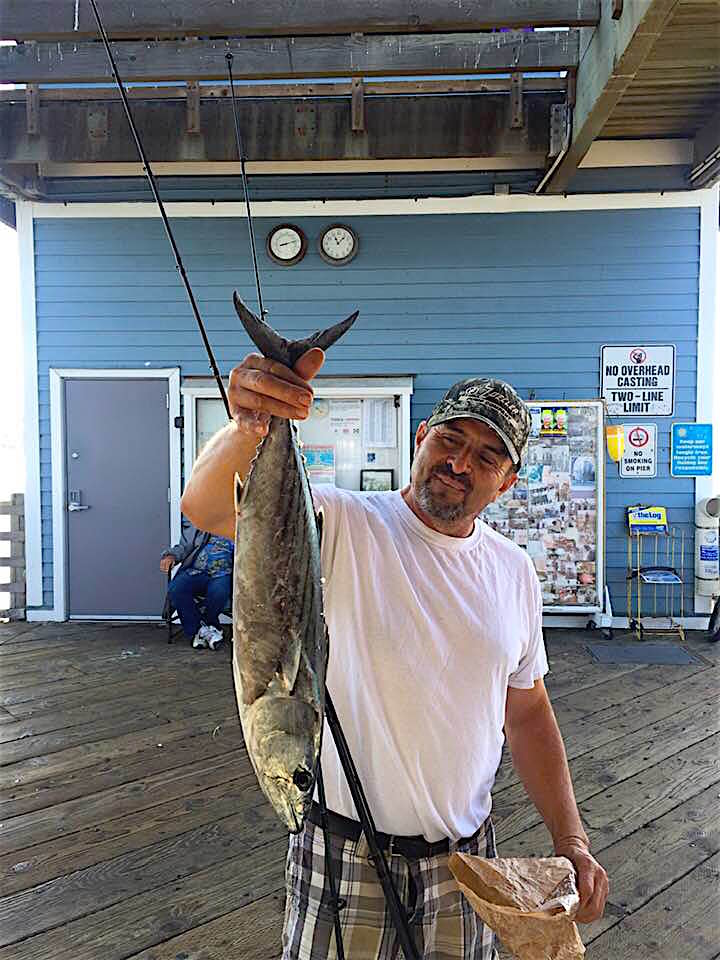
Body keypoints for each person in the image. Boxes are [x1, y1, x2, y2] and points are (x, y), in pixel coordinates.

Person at [181, 349, 609, 960]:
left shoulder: (514, 571)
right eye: (450, 439)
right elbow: (208, 507)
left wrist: (572, 837)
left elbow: (527, 709)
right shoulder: (344, 521)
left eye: (487, 456)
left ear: (508, 480)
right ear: (420, 437)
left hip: (466, 866)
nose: (460, 463)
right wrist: (251, 422)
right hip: (341, 852)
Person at [160, 520, 233, 650]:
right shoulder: (200, 522)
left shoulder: (239, 526)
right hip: (197, 571)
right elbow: (184, 546)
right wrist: (171, 555)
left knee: (219, 590)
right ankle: (204, 630)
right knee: (177, 588)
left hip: (222, 573)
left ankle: (204, 630)